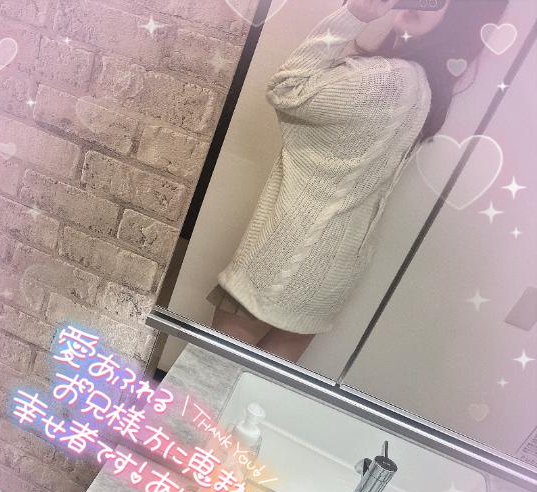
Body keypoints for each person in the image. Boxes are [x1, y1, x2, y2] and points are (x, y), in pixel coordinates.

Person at [208, 0, 509, 362]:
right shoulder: (424, 88)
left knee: (202, 379)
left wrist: (353, 14)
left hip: (284, 262)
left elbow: (287, 89)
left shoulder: (391, 79)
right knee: (250, 390)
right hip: (331, 276)